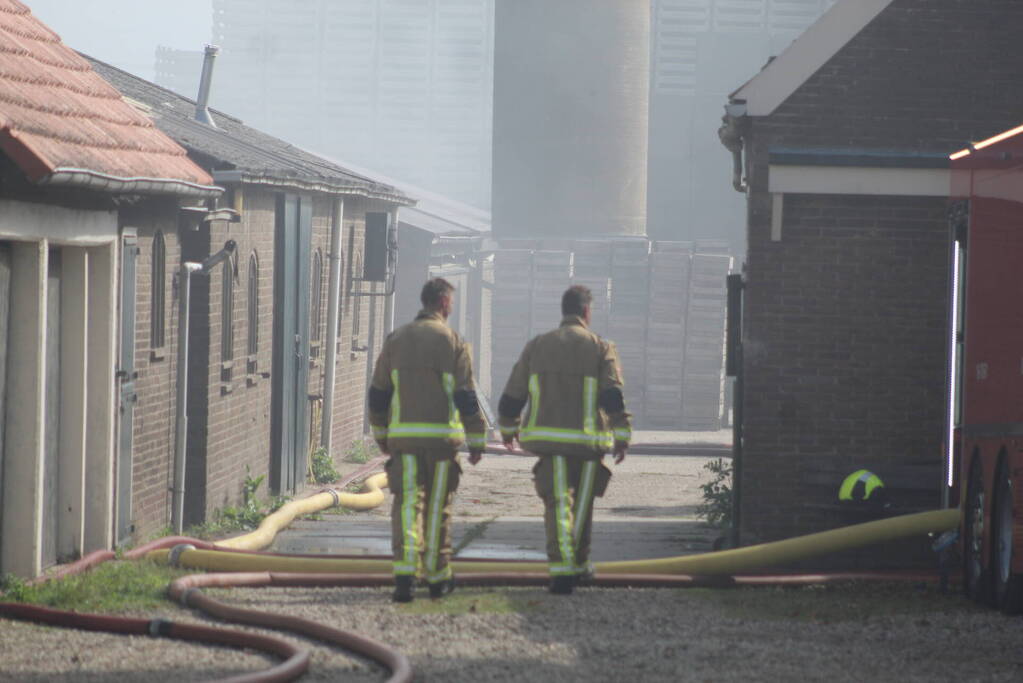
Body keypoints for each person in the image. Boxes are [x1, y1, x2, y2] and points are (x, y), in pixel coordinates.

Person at [497, 285, 631, 594]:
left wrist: (507, 428)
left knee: (557, 506)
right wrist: (621, 436)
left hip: (549, 445)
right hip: (586, 445)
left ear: (564, 310)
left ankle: (561, 569)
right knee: (582, 507)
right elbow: (612, 395)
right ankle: (579, 564)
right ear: (586, 312)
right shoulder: (601, 347)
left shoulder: (538, 346)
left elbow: (514, 392)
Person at [368, 278, 486, 602]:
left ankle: (405, 576)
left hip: (403, 443)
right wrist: (477, 439)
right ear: (445, 303)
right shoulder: (453, 342)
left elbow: (378, 395)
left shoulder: (396, 339)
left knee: (406, 506)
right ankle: (436, 577)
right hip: (441, 445)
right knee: (437, 509)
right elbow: (466, 397)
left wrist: (382, 436)